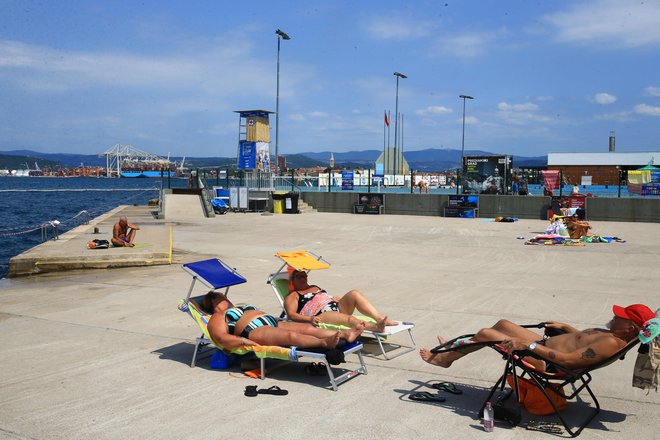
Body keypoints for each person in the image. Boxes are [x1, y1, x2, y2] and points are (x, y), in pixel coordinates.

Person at [420, 304, 656, 372]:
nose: (615, 316)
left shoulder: (611, 342)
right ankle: (452, 350)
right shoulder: (613, 335)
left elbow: (570, 361)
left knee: (486, 334)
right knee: (502, 324)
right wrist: (565, 327)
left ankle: (444, 359)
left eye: (621, 317)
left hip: (545, 360)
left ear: (631, 329)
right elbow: (582, 340)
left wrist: (529, 344)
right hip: (542, 346)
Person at [202, 291, 363, 350]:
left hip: (271, 321)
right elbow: (221, 338)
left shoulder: (235, 306)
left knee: (307, 329)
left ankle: (344, 335)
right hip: (252, 330)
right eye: (221, 296)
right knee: (290, 337)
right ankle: (324, 344)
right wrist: (243, 341)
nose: (225, 296)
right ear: (214, 301)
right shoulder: (217, 317)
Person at [284, 270, 398, 333]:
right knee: (349, 319)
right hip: (321, 316)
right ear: (292, 280)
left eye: (304, 276)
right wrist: (310, 319)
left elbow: (323, 297)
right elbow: (291, 315)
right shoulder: (293, 296)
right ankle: (376, 327)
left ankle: (378, 318)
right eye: (299, 277)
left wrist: (335, 298)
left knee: (354, 294)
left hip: (337, 306)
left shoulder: (314, 286)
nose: (303, 278)